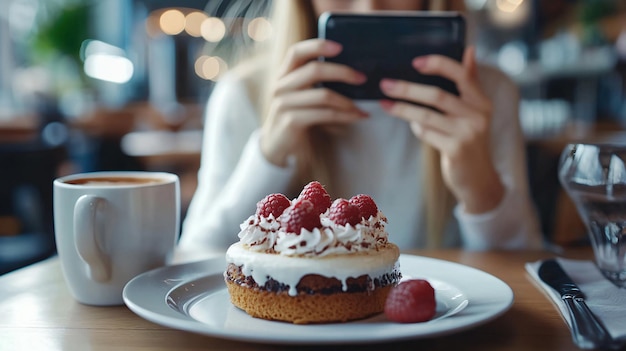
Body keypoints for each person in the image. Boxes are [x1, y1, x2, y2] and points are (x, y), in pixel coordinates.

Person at [179, 0, 544, 251]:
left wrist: (479, 187)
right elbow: (193, 259)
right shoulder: (244, 94)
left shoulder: (488, 94)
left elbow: (527, 269)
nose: (370, 6)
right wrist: (269, 155)